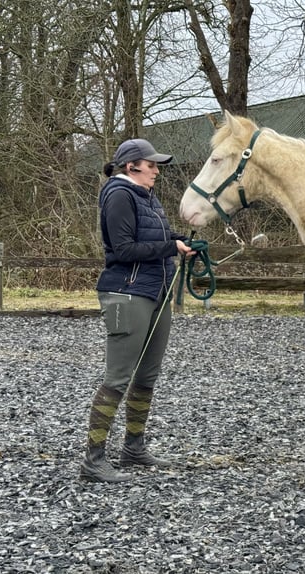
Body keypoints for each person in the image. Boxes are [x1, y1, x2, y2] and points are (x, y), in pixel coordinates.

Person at [79, 138, 194, 482]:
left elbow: (150, 236)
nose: (157, 171)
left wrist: (178, 242)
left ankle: (133, 447)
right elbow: (124, 248)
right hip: (127, 293)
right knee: (118, 378)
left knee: (146, 376)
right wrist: (168, 245)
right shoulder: (118, 194)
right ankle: (94, 459)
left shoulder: (145, 196)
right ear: (132, 166)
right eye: (152, 165)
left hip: (156, 292)